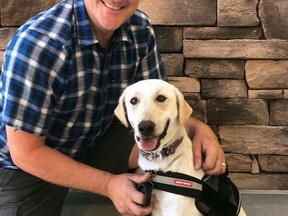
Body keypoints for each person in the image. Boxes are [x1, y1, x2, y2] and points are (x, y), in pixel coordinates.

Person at [0, 0, 225, 215]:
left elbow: (157, 106)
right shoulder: (38, 43)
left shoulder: (139, 28)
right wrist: (107, 184)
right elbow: (25, 152)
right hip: (28, 162)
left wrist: (199, 129)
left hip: (96, 140)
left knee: (179, 149)